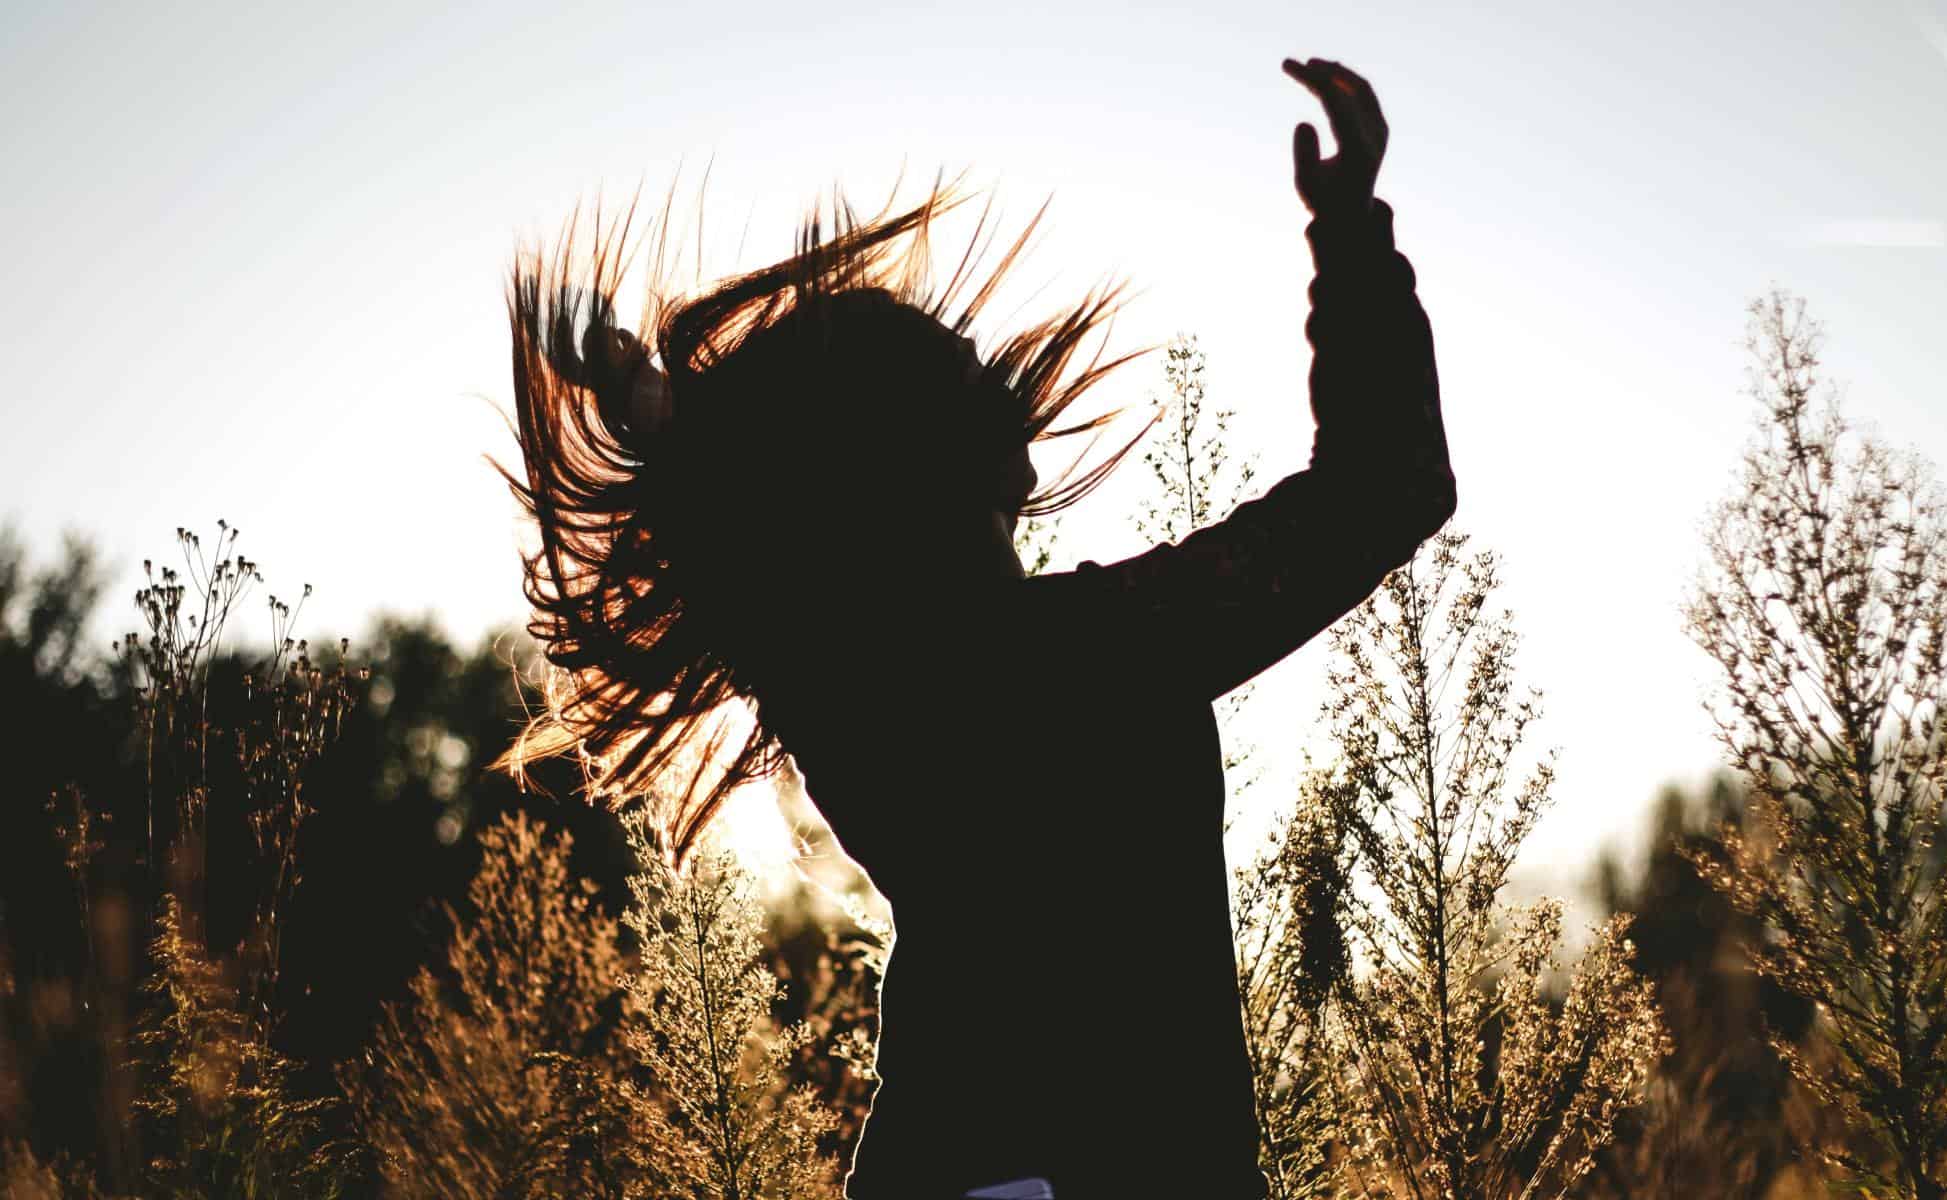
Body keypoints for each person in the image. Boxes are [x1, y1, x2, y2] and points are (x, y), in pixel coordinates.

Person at [502, 56, 1454, 1200]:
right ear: (908, 463)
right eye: (957, 374)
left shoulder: (838, 672)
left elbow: (765, 520)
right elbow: (1386, 487)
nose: (993, 372)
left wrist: (678, 417)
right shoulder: (1085, 653)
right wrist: (1349, 229)